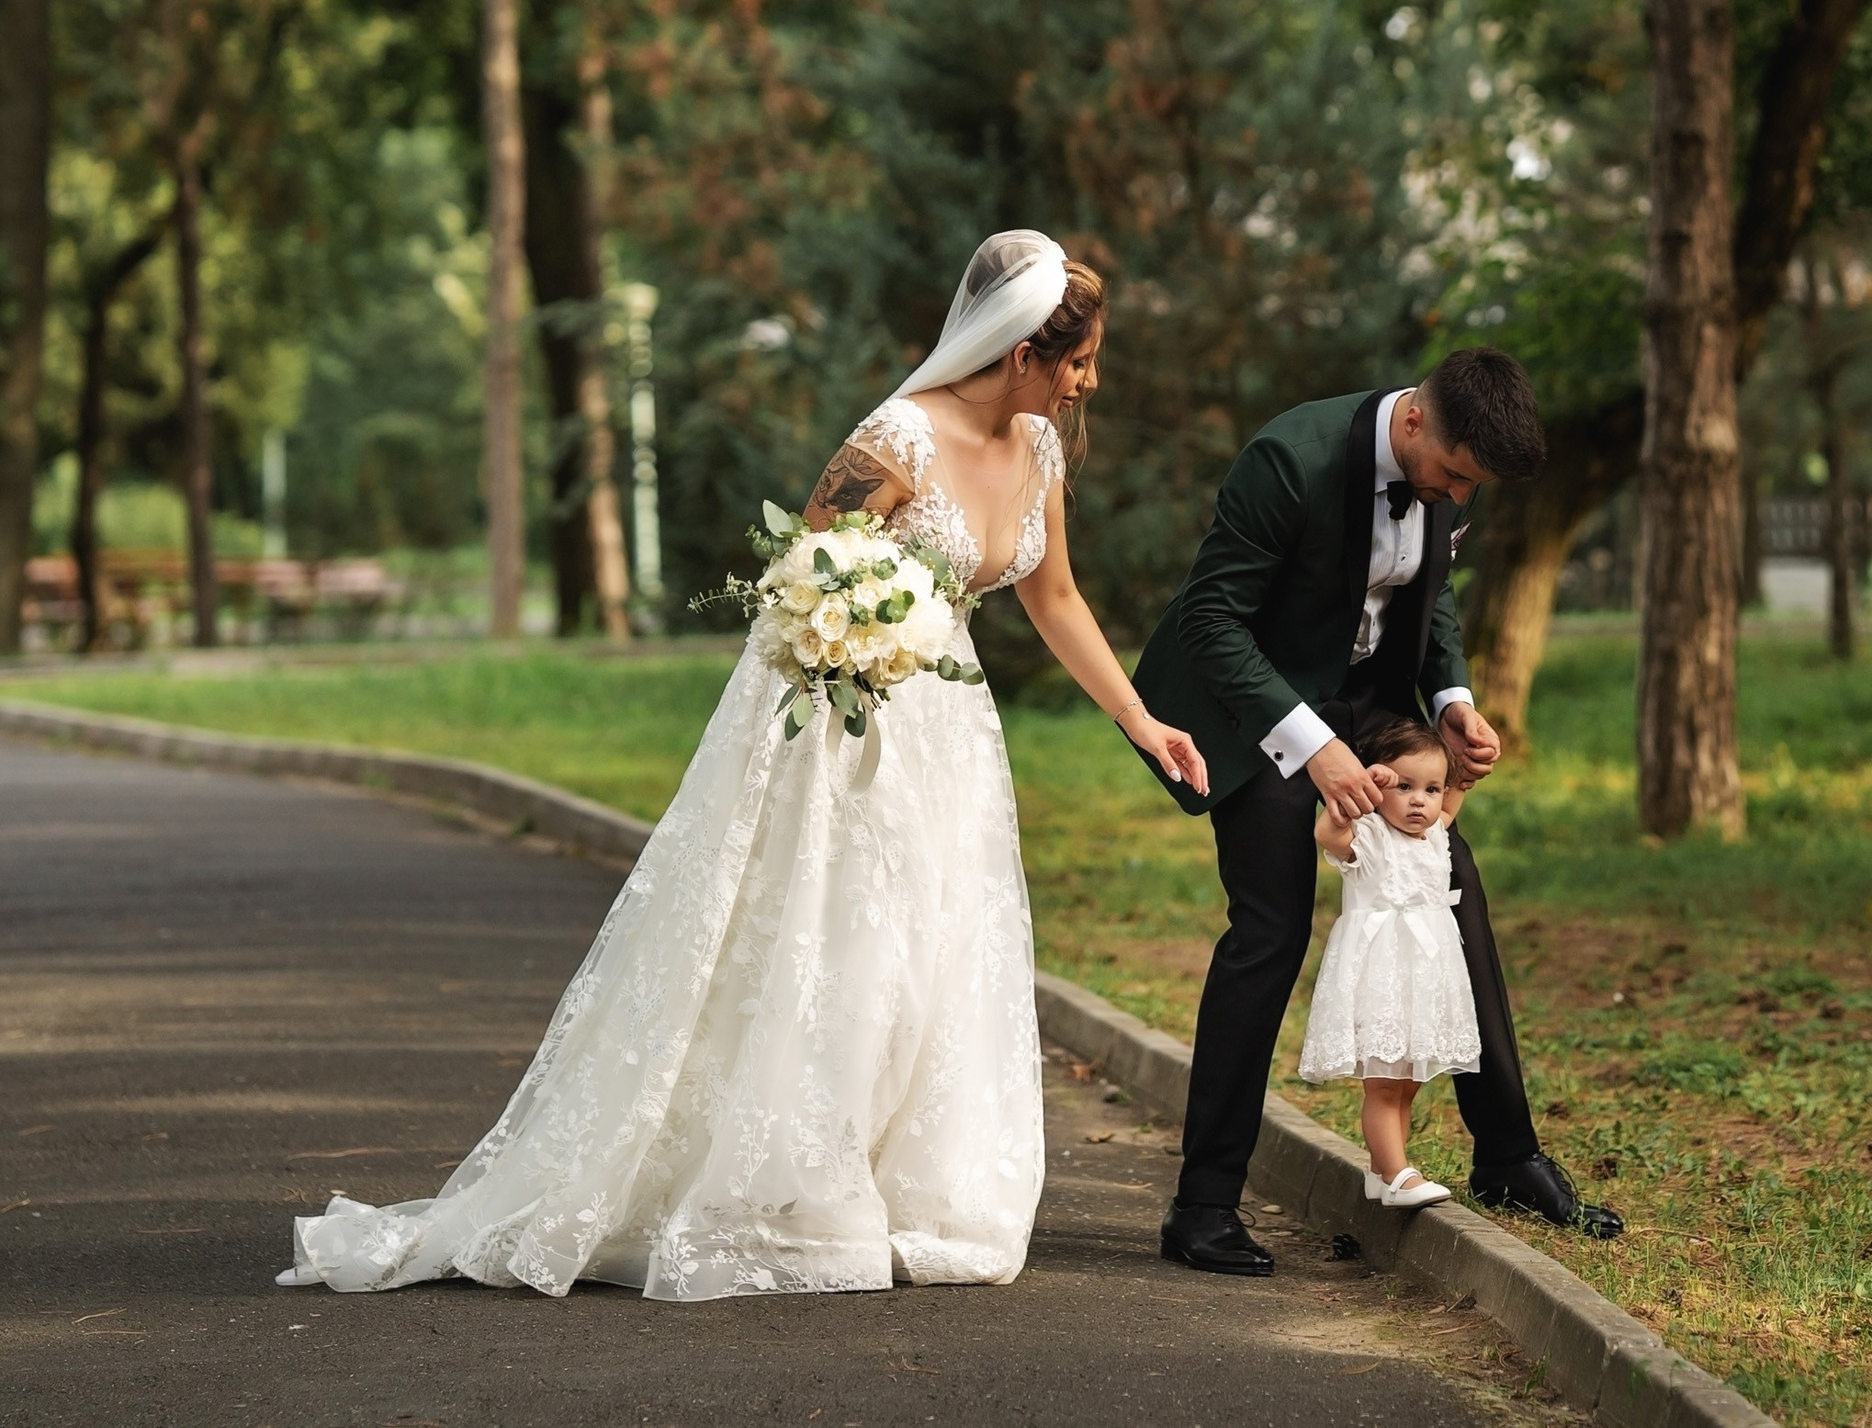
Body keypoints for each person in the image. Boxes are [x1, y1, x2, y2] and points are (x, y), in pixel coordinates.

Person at [276, 230, 1206, 1301]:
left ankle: (916, 1192)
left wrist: (1140, 719)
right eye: (1078, 359)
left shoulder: (1038, 449)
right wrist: (849, 650)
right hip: (851, 729)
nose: (1090, 380)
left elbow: (1054, 599)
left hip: (953, 736)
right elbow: (803, 583)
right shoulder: (897, 439)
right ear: (1019, 350)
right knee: (848, 946)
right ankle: (800, 1198)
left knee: (937, 946)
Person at [1132, 349, 1623, 1279]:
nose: (1454, 495)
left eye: (1469, 487)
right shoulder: (1290, 460)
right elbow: (1211, 619)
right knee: (1270, 922)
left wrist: (1450, 701)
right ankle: (1201, 1208)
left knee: (1450, 880)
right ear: (1412, 427)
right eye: (1451, 475)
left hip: (1364, 697)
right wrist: (1312, 748)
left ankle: (1507, 1154)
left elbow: (1427, 601)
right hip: (1255, 702)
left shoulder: (1447, 473)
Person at [1300, 717, 1482, 1209]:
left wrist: (1461, 774)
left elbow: (1454, 797)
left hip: (1425, 974)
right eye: (1403, 787)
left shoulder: (1436, 836)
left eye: (1431, 789)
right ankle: (1399, 1173)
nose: (1420, 800)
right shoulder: (1369, 835)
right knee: (1382, 1083)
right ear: (1377, 785)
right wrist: (1356, 794)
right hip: (1380, 972)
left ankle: (1383, 1172)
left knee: (1407, 1082)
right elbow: (1327, 833)